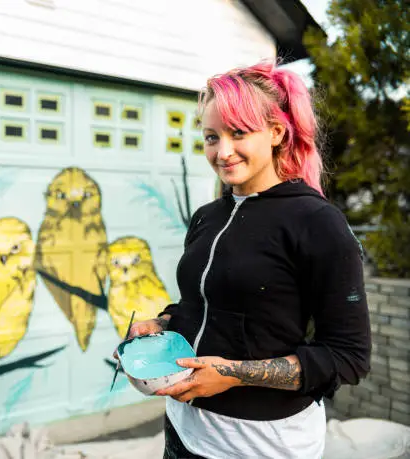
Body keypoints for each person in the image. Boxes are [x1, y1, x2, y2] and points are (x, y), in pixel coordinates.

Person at [125, 61, 371, 458]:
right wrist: (162, 323)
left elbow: (348, 357)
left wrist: (232, 375)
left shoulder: (316, 222)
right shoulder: (208, 216)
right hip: (184, 429)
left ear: (276, 133)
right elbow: (204, 303)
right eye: (210, 137)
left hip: (261, 444)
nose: (222, 152)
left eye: (238, 133)